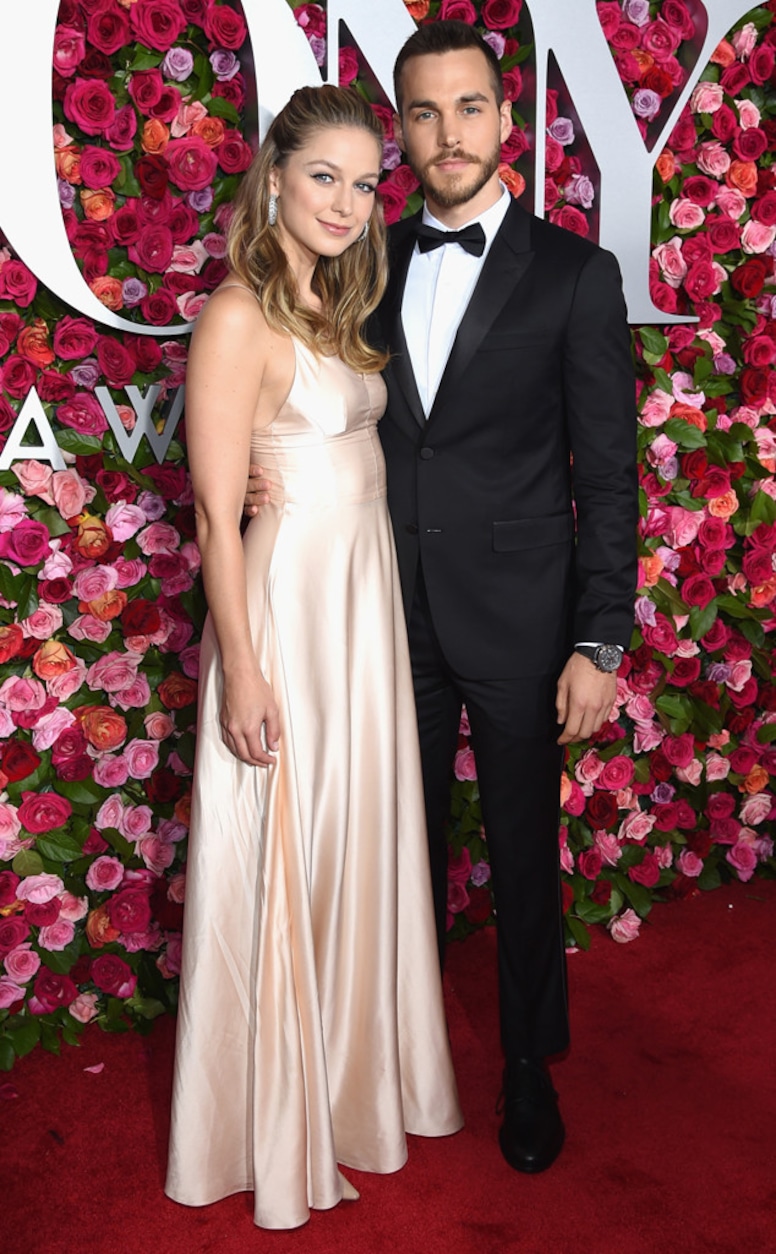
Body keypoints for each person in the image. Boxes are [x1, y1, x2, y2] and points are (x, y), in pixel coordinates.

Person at [247, 22, 637, 1177]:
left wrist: (595, 637)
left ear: (507, 122)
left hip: (522, 621)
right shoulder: (362, 263)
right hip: (384, 618)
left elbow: (607, 473)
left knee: (521, 860)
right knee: (391, 851)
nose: (445, 133)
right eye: (421, 113)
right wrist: (267, 458)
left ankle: (525, 1067)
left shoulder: (574, 274)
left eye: (467, 108)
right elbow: (308, 387)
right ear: (400, 131)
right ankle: (387, 1063)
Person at [165, 84, 462, 1232]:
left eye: (362, 182)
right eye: (322, 177)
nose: (345, 202)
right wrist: (241, 670)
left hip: (360, 604)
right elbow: (208, 516)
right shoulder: (238, 315)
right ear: (275, 178)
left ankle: (351, 1089)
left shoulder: (333, 307)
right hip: (287, 610)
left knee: (351, 842)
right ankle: (276, 1120)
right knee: (294, 842)